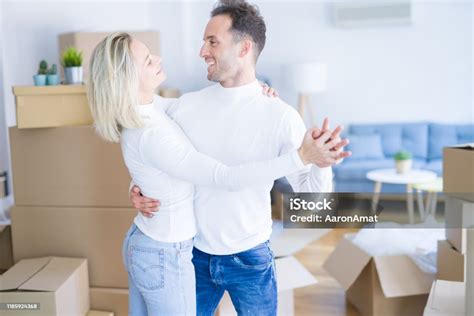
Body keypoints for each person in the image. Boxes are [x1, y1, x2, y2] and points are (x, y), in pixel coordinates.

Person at [87, 31, 349, 315]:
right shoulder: (184, 108)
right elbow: (160, 149)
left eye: (212, 42)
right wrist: (138, 185)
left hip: (248, 256)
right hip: (191, 252)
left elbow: (315, 203)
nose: (202, 51)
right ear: (127, 78)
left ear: (243, 48)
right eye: (148, 60)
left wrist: (318, 162)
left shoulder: (277, 114)